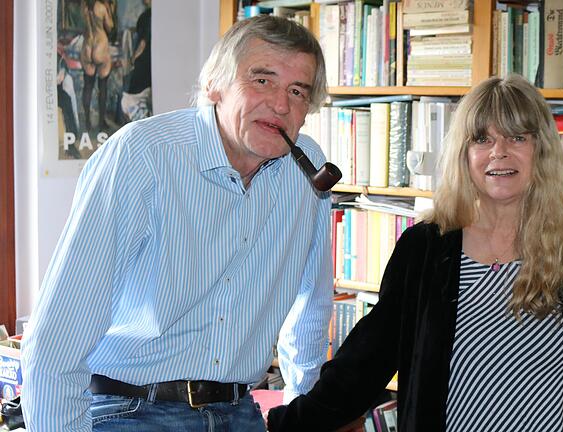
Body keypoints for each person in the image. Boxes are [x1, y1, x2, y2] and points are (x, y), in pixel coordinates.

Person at [267, 74, 563, 432]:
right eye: (481, 139)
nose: (499, 151)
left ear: (542, 149)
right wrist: (288, 423)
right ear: (464, 152)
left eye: (517, 137)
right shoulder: (424, 249)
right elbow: (364, 363)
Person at [22, 15, 332, 431]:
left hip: (240, 410)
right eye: (262, 80)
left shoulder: (306, 171)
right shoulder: (142, 157)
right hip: (132, 408)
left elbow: (312, 306)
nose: (280, 104)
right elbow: (58, 339)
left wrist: (301, 411)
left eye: (298, 91)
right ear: (214, 86)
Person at [80, 0, 114, 131]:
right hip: (100, 45)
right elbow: (110, 26)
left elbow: (82, 26)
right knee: (103, 86)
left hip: (87, 46)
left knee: (88, 86)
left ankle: (87, 121)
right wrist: (109, 10)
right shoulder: (101, 7)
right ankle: (101, 122)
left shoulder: (84, 6)